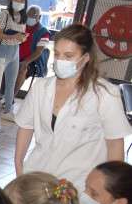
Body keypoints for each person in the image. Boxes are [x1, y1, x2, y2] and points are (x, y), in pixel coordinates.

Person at [15, 24, 131, 191]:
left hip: (81, 185)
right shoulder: (41, 87)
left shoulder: (104, 94)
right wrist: (19, 167)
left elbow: (115, 144)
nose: (60, 61)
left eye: (68, 56)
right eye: (57, 54)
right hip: (38, 176)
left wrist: (111, 190)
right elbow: (26, 127)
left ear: (85, 58)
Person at [16, 4, 51, 90]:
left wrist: (25, 62)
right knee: (2, 65)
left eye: (34, 16)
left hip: (31, 61)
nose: (30, 18)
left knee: (22, 69)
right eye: (29, 15)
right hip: (14, 56)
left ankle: (11, 95)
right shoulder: (20, 26)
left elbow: (38, 52)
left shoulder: (44, 32)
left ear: (39, 17)